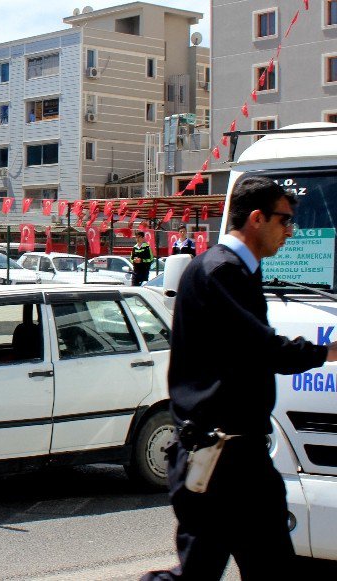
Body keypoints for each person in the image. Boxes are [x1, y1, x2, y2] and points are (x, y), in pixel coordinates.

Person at [144, 177, 337, 580]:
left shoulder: (235, 271)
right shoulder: (221, 272)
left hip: (240, 457)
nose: (290, 231)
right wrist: (327, 351)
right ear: (256, 218)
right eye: (285, 220)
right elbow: (263, 348)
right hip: (220, 458)